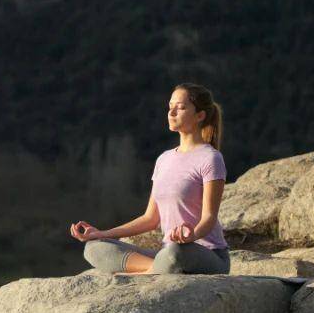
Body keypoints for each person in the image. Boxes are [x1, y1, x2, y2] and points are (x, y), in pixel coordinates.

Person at [70, 83, 231, 274]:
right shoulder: (164, 159)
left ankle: (148, 271)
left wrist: (191, 236)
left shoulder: (210, 158)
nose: (171, 112)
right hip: (166, 254)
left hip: (204, 254)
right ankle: (154, 270)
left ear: (200, 116)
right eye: (170, 106)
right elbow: (150, 219)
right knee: (94, 248)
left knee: (175, 252)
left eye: (180, 107)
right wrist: (102, 234)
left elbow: (209, 217)